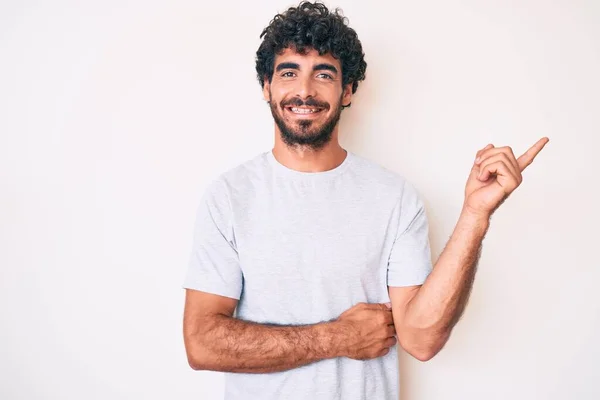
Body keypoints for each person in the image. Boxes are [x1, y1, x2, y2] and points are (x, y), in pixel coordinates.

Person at [181, 2, 549, 399]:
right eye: (289, 72)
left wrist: (476, 215)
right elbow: (202, 342)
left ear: (348, 90)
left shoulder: (396, 198)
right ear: (267, 87)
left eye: (324, 74)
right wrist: (337, 338)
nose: (304, 90)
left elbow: (421, 339)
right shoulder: (230, 196)